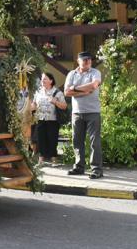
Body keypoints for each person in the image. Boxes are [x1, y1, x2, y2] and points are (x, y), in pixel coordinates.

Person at [65, 51, 103, 179]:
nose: (88, 62)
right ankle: (79, 167)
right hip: (77, 112)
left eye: (89, 59)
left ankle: (96, 169)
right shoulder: (72, 74)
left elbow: (94, 85)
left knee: (94, 142)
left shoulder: (95, 72)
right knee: (77, 141)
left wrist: (74, 89)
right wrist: (83, 91)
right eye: (85, 60)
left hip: (93, 112)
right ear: (78, 61)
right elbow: (66, 92)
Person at [32, 72, 67, 163]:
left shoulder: (57, 92)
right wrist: (31, 107)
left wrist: (55, 102)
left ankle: (53, 158)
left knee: (52, 139)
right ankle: (41, 158)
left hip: (53, 120)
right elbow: (34, 104)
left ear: (51, 81)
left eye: (45, 79)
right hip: (40, 118)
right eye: (42, 79)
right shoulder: (38, 91)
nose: (42, 81)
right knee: (41, 138)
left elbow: (64, 106)